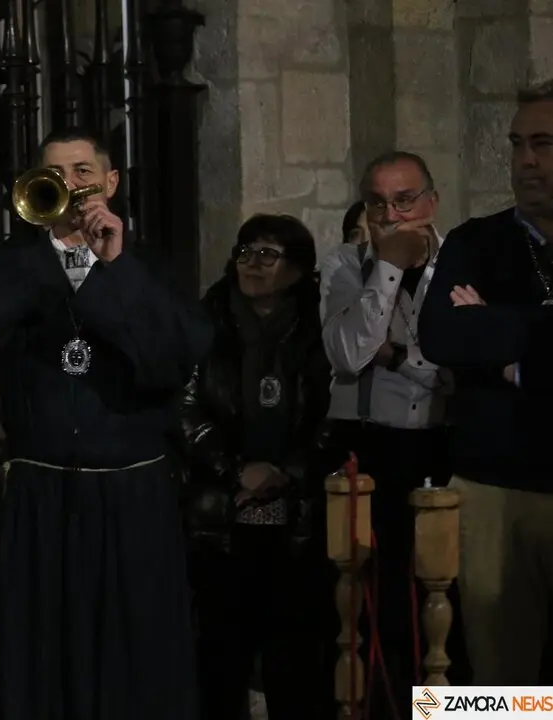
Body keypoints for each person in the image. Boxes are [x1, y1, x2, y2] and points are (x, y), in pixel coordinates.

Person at [0, 127, 213, 719]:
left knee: (137, 650)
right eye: (56, 174)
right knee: (46, 650)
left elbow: (169, 361)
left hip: (133, 492)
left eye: (83, 173)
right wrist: (51, 251)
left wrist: (113, 266)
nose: (70, 186)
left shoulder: (149, 265)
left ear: (111, 183)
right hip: (44, 491)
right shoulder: (13, 264)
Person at [418, 79, 553, 685]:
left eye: (544, 144)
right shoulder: (475, 240)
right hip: (493, 488)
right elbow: (442, 337)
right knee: (502, 682)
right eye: (519, 144)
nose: (526, 160)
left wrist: (506, 346)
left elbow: (478, 335)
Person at [180, 214, 332, 720]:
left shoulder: (321, 327)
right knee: (220, 661)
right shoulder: (206, 323)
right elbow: (184, 408)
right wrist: (234, 469)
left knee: (297, 663)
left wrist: (288, 470)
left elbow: (332, 415)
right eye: (245, 251)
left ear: (300, 268)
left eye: (268, 254)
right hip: (220, 517)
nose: (252, 263)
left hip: (299, 519)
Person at [319, 151, 454, 710]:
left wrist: (400, 360)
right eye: (378, 202)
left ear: (430, 202)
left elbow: (459, 372)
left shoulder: (461, 263)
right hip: (366, 441)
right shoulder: (346, 263)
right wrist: (390, 268)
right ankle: (383, 708)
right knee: (374, 604)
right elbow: (350, 354)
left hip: (440, 446)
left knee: (447, 600)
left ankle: (454, 707)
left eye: (404, 201)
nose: (391, 215)